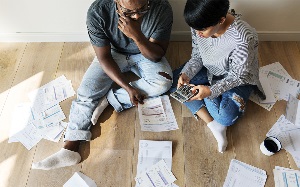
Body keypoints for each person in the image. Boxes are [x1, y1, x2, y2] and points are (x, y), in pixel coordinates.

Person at [32, 0, 173, 170]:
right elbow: (104, 58)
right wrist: (128, 88)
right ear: (116, 2)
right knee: (86, 92)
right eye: (129, 12)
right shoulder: (98, 12)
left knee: (163, 82)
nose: (136, 15)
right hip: (113, 54)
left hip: (146, 51)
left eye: (143, 9)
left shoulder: (161, 8)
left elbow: (156, 56)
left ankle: (109, 99)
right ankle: (70, 147)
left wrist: (137, 35)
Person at [170, 0, 265, 153]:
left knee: (226, 116)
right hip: (210, 70)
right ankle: (213, 125)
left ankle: (212, 110)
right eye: (195, 29)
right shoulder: (199, 24)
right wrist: (186, 73)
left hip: (236, 79)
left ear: (221, 20)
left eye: (202, 30)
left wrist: (210, 91)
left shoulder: (244, 37)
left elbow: (238, 76)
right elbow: (197, 55)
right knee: (173, 80)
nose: (197, 33)